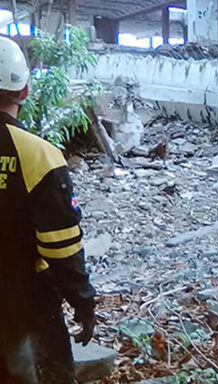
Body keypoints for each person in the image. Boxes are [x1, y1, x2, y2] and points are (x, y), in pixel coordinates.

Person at [0, 36, 96, 383]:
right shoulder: (39, 155)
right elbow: (61, 245)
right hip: (26, 302)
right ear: (24, 91)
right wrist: (82, 300)